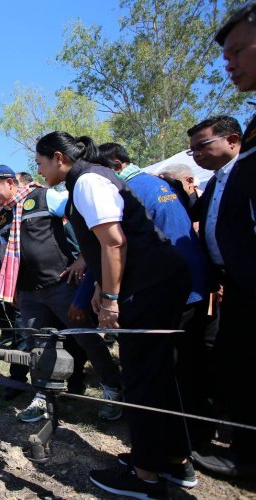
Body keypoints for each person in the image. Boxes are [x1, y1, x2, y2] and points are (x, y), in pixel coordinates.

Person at [35, 131, 195, 498]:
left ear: (59, 157)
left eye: (40, 162)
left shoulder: (88, 181)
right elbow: (103, 248)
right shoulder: (90, 178)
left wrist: (110, 298)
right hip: (154, 282)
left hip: (150, 284)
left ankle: (146, 477)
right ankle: (168, 458)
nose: (39, 169)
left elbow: (114, 242)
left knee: (142, 375)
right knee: (156, 374)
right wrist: (98, 287)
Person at [0, 164, 122, 422]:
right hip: (29, 295)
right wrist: (15, 288)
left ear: (10, 182)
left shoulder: (44, 197)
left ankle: (113, 389)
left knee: (86, 339)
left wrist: (83, 258)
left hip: (61, 286)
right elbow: (9, 256)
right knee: (38, 347)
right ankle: (43, 396)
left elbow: (86, 221)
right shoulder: (1, 217)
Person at [98, 142, 212, 449]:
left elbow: (116, 246)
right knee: (189, 365)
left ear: (117, 166)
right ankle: (194, 439)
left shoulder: (130, 191)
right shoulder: (156, 184)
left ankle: (180, 443)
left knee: (168, 370)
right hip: (193, 283)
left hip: (169, 288)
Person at [192, 2, 256, 477]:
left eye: (238, 50)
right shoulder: (221, 178)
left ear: (231, 141)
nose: (228, 62)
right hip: (235, 284)